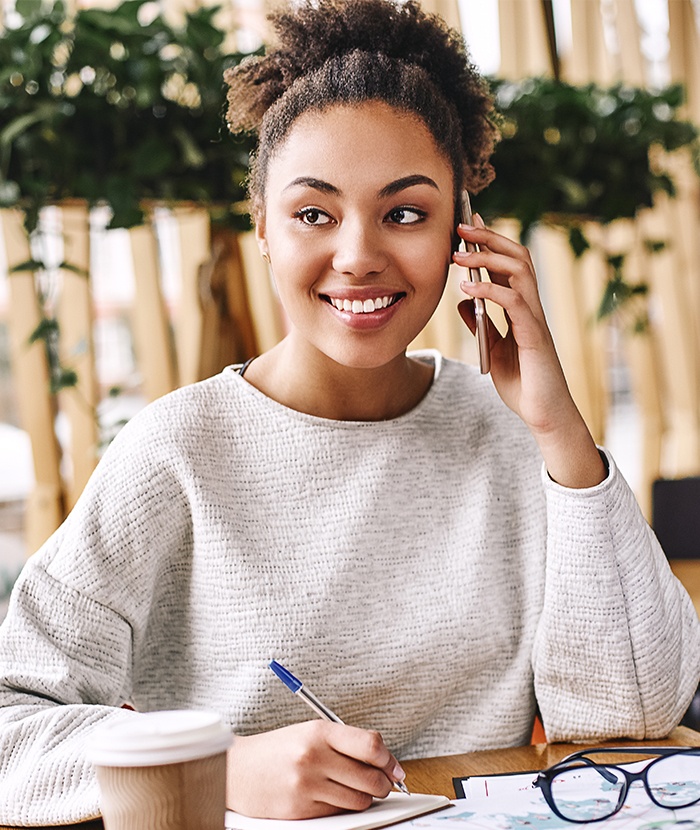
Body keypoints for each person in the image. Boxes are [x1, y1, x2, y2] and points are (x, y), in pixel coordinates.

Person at [1, 0, 699, 824]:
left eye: (405, 213)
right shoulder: (178, 451)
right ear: (262, 227)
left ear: (463, 234)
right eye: (314, 214)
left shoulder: (516, 438)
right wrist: (219, 766)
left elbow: (635, 720)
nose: (360, 254)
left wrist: (560, 432)